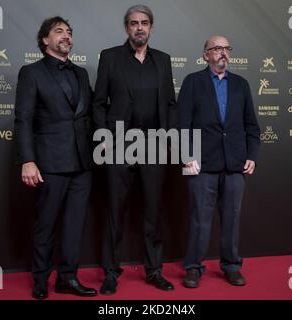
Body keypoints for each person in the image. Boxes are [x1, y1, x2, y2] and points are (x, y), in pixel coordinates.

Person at [93, 4, 177, 295]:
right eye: (133, 23)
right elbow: (98, 102)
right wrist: (104, 137)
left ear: (151, 27)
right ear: (126, 28)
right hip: (119, 144)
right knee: (115, 210)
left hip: (154, 145)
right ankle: (111, 272)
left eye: (144, 23)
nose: (139, 27)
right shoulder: (110, 58)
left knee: (153, 211)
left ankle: (154, 271)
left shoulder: (163, 61)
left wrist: (170, 141)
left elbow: (169, 104)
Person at [14, 16, 97, 299]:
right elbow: (23, 119)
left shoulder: (82, 74)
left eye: (69, 32)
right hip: (49, 162)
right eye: (59, 31)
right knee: (46, 224)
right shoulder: (31, 72)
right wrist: (27, 159)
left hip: (83, 163)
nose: (66, 36)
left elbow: (93, 113)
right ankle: (40, 279)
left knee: (75, 225)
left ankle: (68, 278)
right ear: (44, 40)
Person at [178, 35, 260, 288]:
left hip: (235, 164)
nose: (223, 53)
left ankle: (232, 266)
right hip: (202, 164)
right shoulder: (193, 82)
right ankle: (193, 267)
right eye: (217, 48)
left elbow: (251, 126)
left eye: (226, 49)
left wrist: (252, 156)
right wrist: (187, 156)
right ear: (205, 55)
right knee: (200, 219)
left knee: (232, 218)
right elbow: (182, 125)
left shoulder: (241, 84)